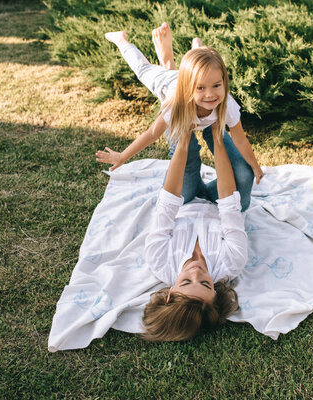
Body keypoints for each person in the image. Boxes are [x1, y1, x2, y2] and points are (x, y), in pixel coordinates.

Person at [96, 23, 263, 211]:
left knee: (243, 182)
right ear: (188, 87)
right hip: (179, 110)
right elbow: (152, 133)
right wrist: (122, 156)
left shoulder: (225, 103)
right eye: (201, 88)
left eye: (216, 85)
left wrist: (255, 167)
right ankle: (143, 49)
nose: (210, 94)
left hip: (210, 119)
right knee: (185, 194)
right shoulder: (175, 104)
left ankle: (197, 51)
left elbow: (240, 140)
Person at [141, 102, 247, 341]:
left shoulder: (158, 260)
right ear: (215, 295)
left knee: (185, 153)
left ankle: (186, 113)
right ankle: (212, 126)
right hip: (219, 203)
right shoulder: (232, 263)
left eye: (186, 281)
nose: (197, 272)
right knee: (243, 175)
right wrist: (219, 134)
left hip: (184, 200)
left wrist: (185, 137)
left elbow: (168, 202)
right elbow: (229, 203)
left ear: (170, 294)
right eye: (206, 284)